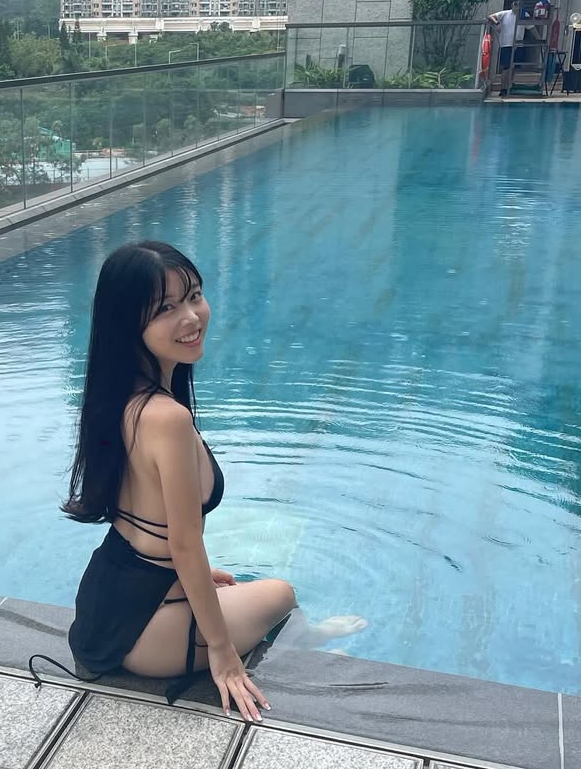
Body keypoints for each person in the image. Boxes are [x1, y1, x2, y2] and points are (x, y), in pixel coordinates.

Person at [29, 241, 363, 722]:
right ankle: (307, 644)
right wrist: (222, 654)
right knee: (282, 594)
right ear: (129, 322)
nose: (191, 317)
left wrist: (196, 579)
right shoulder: (167, 418)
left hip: (105, 607)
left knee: (233, 587)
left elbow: (144, 520)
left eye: (194, 296)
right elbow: (184, 543)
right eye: (165, 308)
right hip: (140, 636)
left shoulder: (119, 397)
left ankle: (283, 634)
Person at [489, 0, 521, 95]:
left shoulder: (523, 15)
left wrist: (538, 38)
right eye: (515, 5)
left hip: (518, 44)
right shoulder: (505, 13)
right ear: (512, 6)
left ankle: (510, 86)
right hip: (506, 44)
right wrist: (497, 23)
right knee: (506, 68)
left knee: (514, 67)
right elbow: (491, 16)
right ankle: (503, 88)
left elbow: (531, 27)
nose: (516, 7)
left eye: (518, 6)